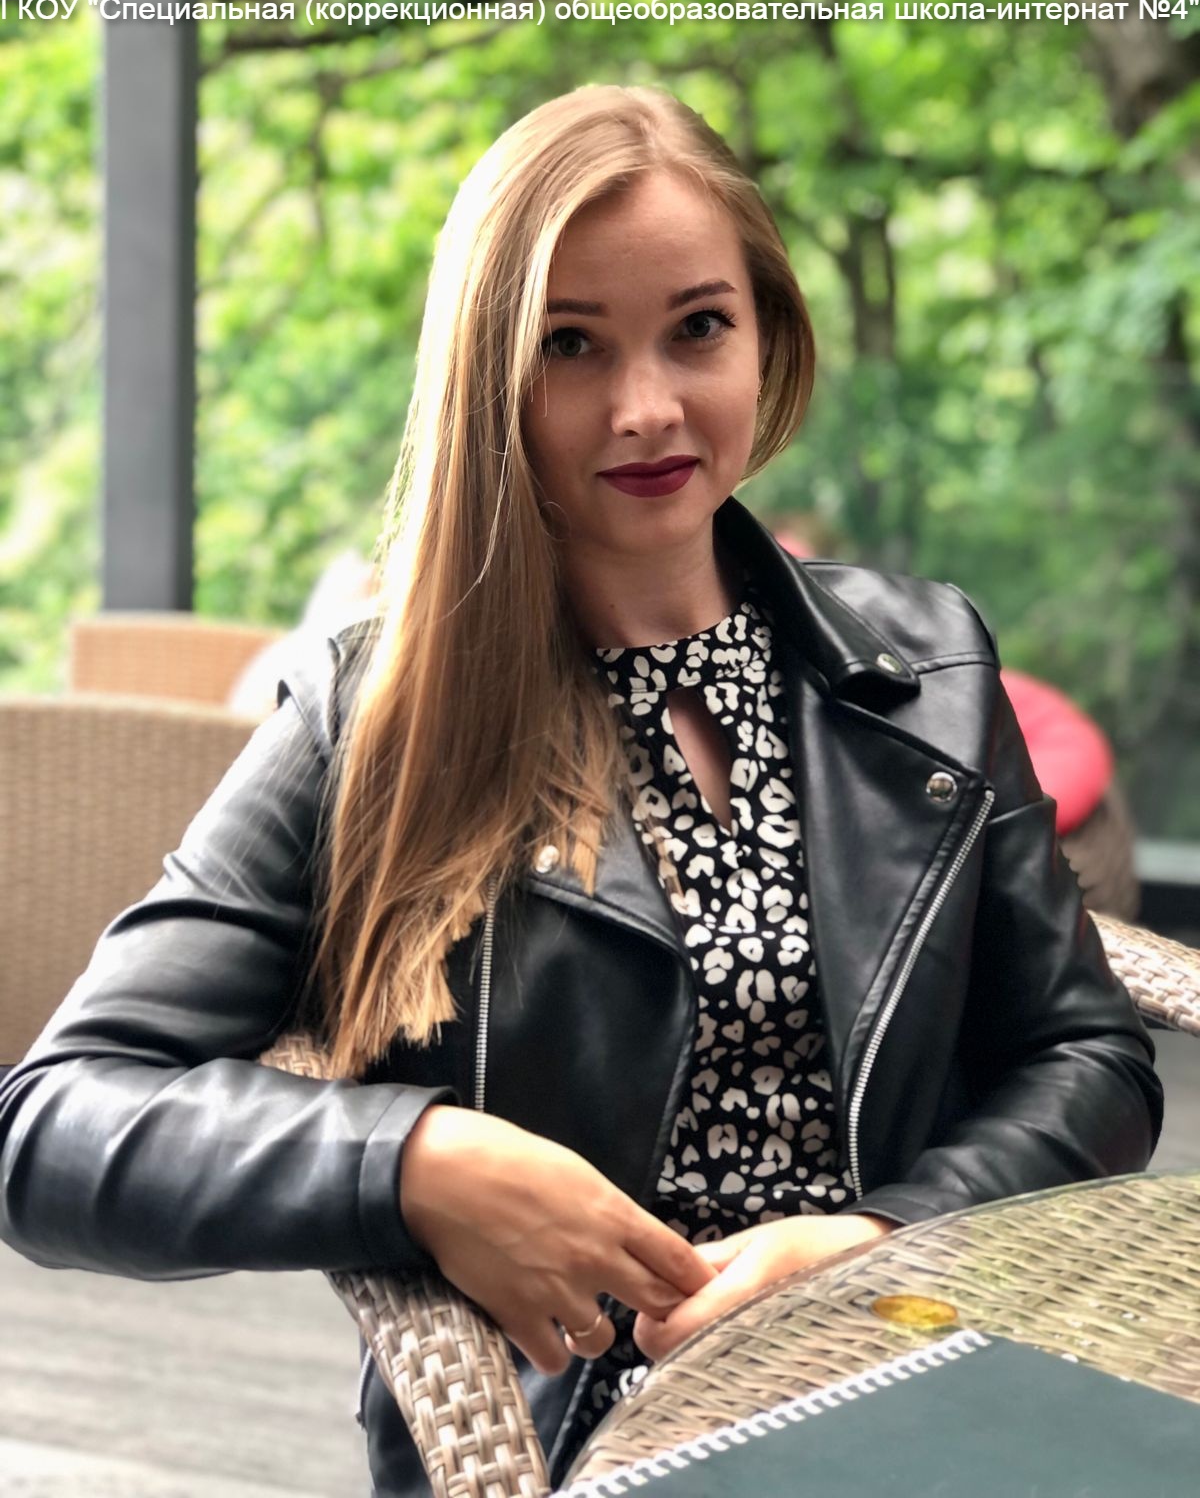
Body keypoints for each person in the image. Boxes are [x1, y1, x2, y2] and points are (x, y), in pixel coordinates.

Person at [0, 86, 1162, 1496]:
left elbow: (1089, 1058)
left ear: (767, 336)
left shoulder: (928, 666)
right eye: (570, 345)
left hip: (922, 1359)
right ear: (488, 376)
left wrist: (878, 1241)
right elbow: (53, 1126)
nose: (647, 407)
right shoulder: (375, 718)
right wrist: (417, 1160)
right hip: (599, 1435)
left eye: (698, 328)